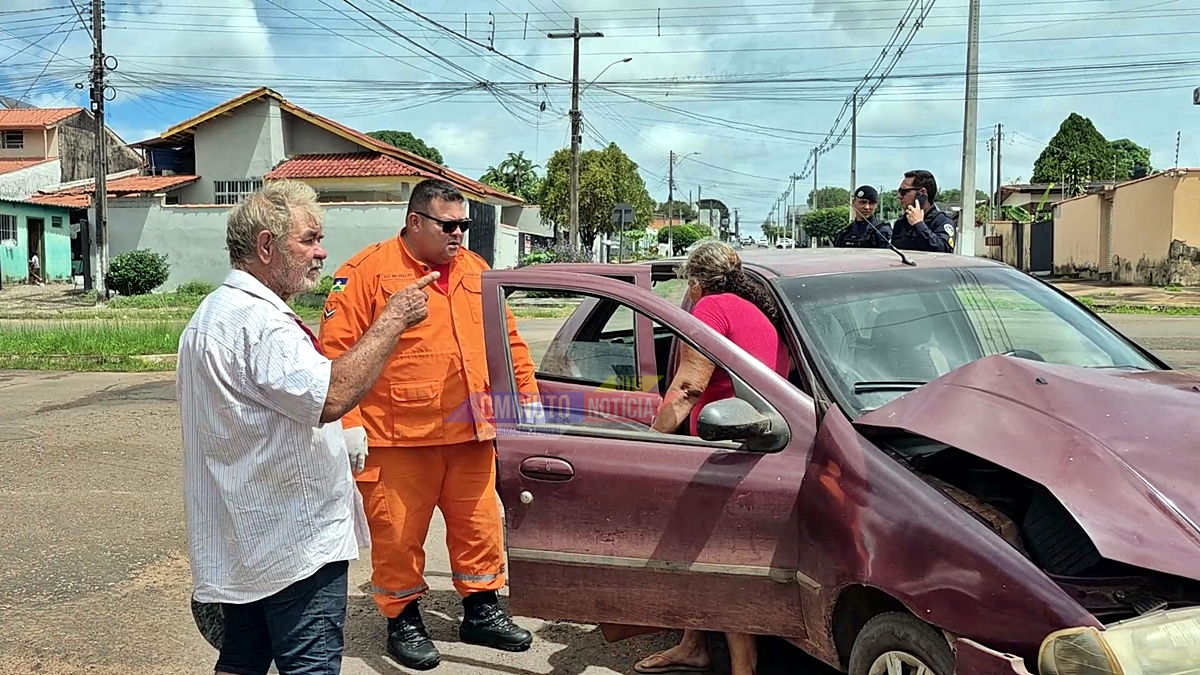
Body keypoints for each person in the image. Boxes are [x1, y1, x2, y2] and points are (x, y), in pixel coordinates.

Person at [177, 179, 439, 675]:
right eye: (309, 239)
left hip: (247, 538)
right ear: (266, 246)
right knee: (309, 666)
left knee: (242, 662)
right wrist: (392, 319)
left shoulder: (212, 314)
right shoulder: (262, 324)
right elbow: (332, 395)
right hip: (293, 546)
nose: (322, 253)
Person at [319, 178, 540, 670]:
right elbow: (336, 355)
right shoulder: (366, 273)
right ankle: (403, 616)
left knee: (480, 528)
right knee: (398, 536)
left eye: (464, 224)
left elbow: (509, 343)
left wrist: (526, 405)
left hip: (472, 432)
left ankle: (481, 610)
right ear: (415, 221)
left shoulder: (476, 270)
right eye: (449, 224)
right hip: (398, 439)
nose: (459, 233)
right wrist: (347, 422)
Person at [633, 240, 790, 675]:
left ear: (695, 282)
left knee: (715, 557)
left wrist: (649, 443)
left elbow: (688, 388)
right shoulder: (755, 309)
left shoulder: (712, 308)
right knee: (696, 547)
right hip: (758, 440)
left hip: (724, 446)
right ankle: (692, 643)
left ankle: (742, 668)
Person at [891, 169, 955, 252]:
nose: (899, 196)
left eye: (903, 191)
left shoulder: (941, 221)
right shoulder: (901, 223)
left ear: (921, 193)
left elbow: (945, 251)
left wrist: (919, 225)